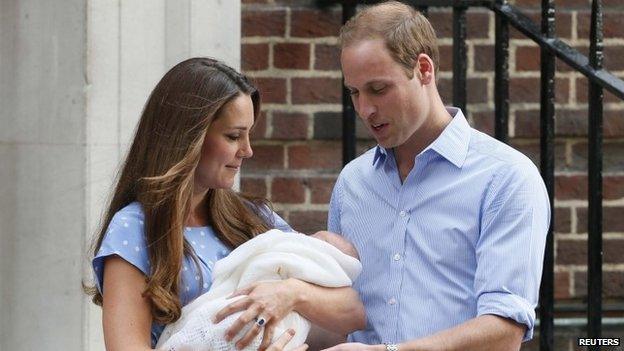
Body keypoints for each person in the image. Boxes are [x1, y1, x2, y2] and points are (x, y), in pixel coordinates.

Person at [85, 57, 365, 351]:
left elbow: (353, 312)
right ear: (188, 137)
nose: (247, 151)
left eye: (248, 135)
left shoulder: (254, 218)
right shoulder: (134, 229)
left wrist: (291, 294)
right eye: (233, 136)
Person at [322, 2, 550, 351]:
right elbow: (340, 317)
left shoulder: (506, 178)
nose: (364, 109)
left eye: (378, 89)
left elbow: (504, 333)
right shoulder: (352, 183)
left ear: (424, 70)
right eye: (354, 92)